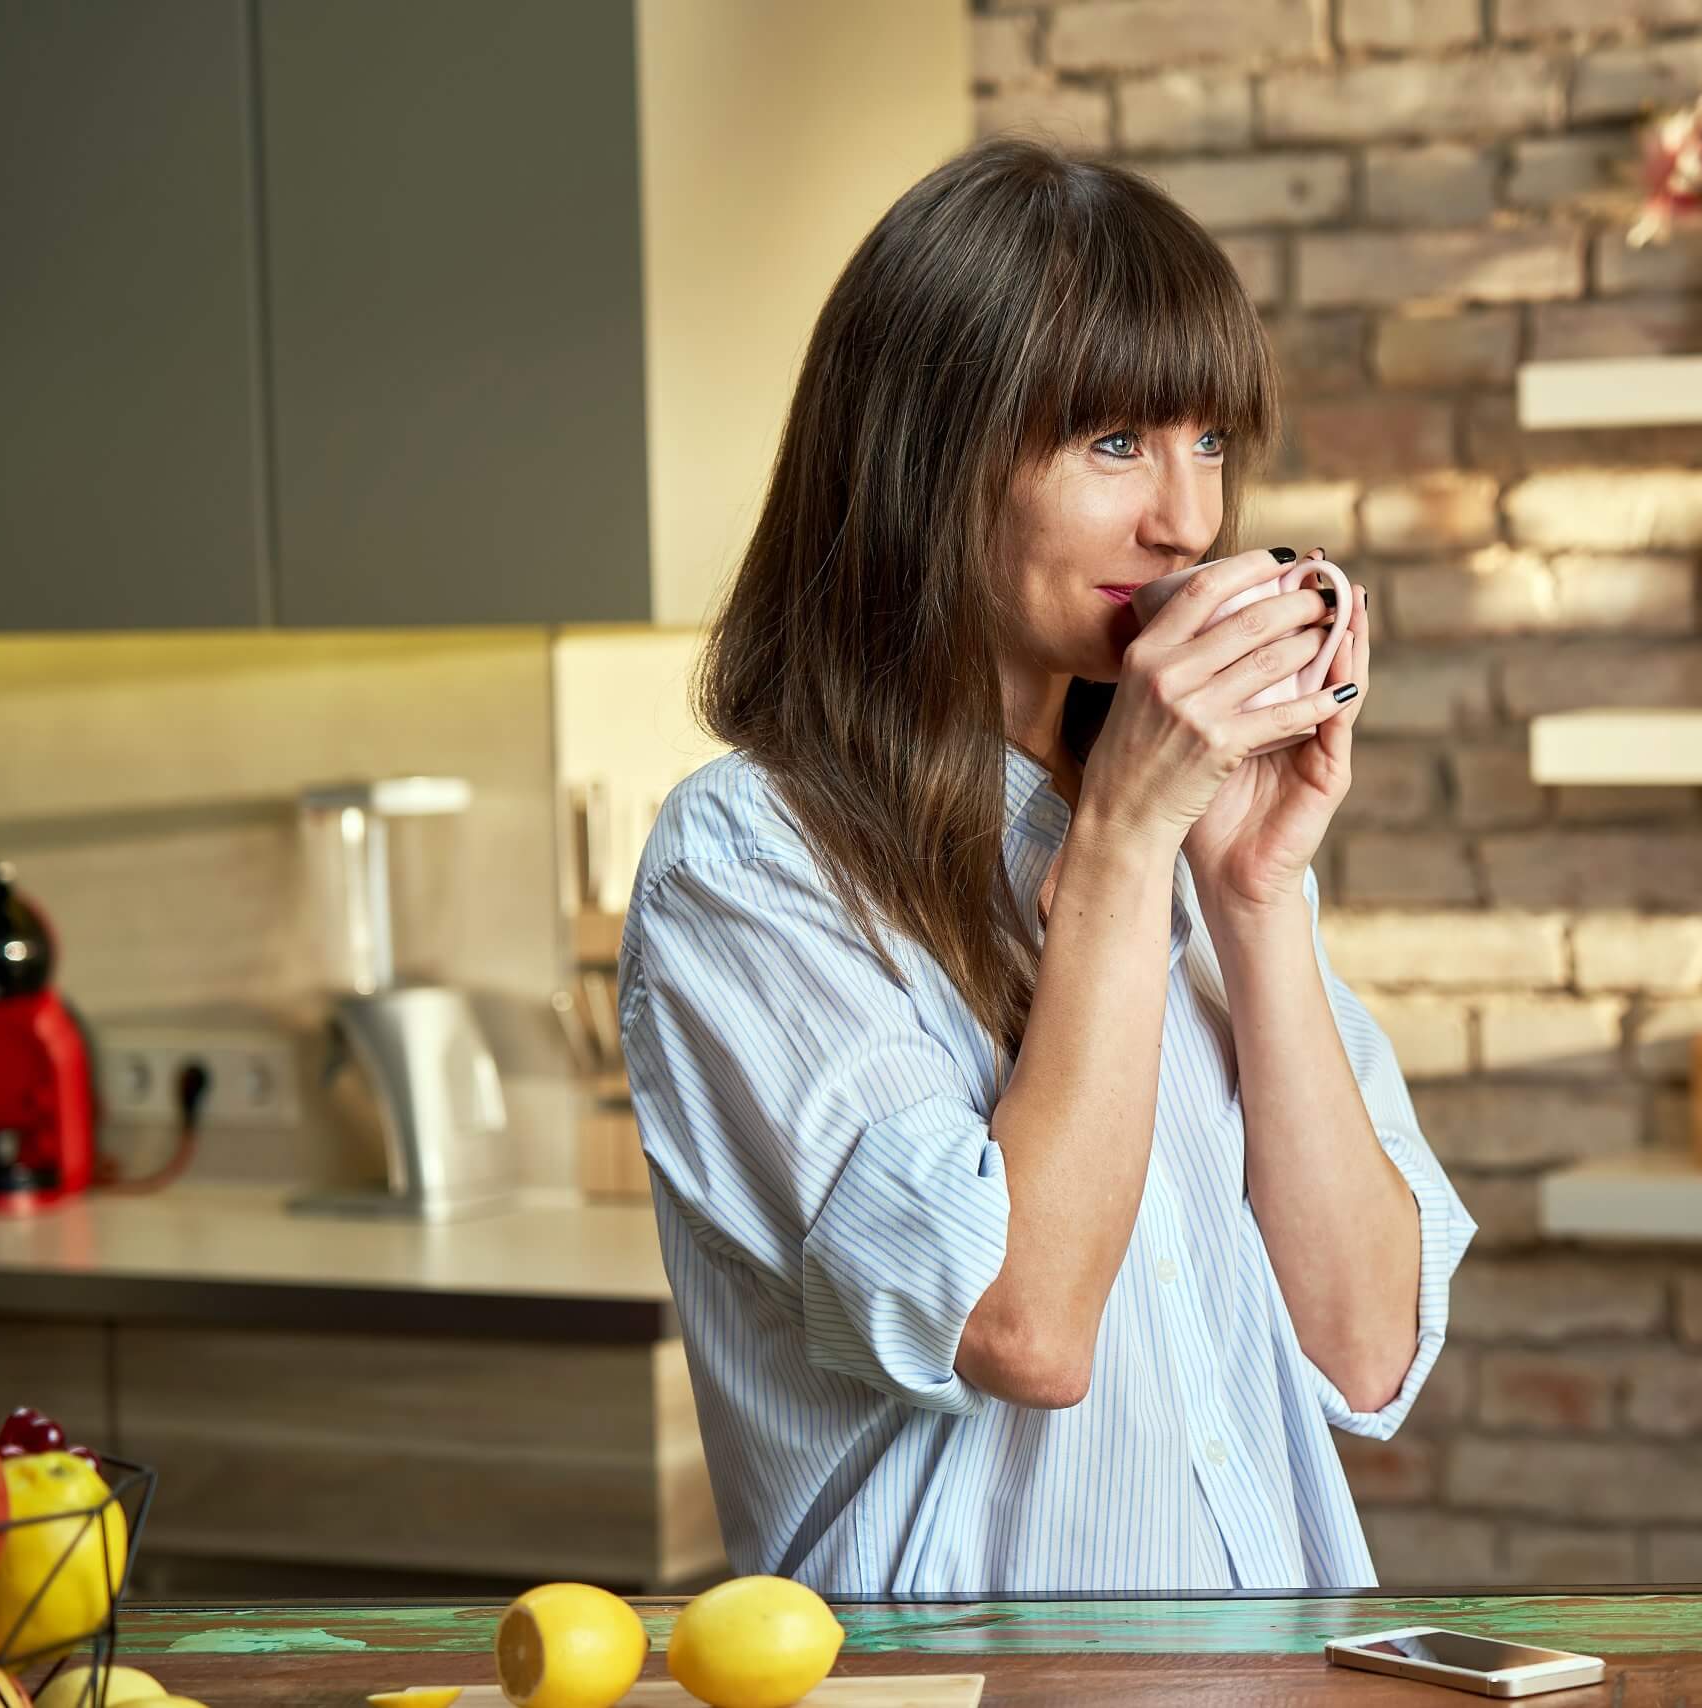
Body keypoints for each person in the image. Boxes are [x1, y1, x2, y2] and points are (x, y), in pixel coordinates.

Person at [617, 136, 1475, 1597]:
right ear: (927, 456)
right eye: (1116, 444)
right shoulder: (752, 862)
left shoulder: (1190, 827)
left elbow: (1366, 1347)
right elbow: (1022, 1327)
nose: (1188, 521)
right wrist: (1131, 842)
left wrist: (1258, 901)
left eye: (1208, 444)